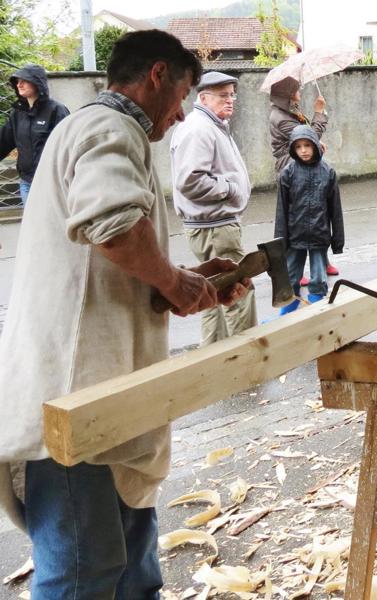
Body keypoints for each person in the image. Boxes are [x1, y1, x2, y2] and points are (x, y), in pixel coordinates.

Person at [0, 29, 248, 598]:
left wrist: (181, 286)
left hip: (112, 403)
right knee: (84, 574)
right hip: (77, 399)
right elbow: (111, 225)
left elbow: (107, 260)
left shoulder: (91, 129)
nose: (181, 115)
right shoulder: (109, 127)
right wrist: (173, 280)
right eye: (183, 94)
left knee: (135, 573)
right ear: (157, 75)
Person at [170, 70, 258, 345]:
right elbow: (190, 181)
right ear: (203, 98)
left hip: (212, 226)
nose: (230, 100)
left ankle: (214, 359)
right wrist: (231, 189)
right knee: (238, 293)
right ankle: (247, 362)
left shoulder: (210, 124)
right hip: (214, 227)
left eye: (232, 95)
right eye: (222, 96)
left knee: (213, 295)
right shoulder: (200, 129)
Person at [268, 77, 338, 281]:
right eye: (296, 88)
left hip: (305, 165)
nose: (300, 90)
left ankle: (322, 261)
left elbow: (308, 138)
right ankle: (294, 270)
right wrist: (319, 112)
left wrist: (316, 142)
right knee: (297, 218)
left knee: (317, 211)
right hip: (292, 168)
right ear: (287, 93)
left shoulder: (291, 111)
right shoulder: (280, 117)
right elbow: (306, 138)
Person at [275, 125, 344, 314]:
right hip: (295, 234)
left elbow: (335, 210)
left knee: (319, 277)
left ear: (315, 145)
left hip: (319, 234)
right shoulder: (288, 173)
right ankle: (290, 306)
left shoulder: (327, 172)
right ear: (293, 149)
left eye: (307, 145)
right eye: (298, 147)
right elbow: (281, 210)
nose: (303, 150)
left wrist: (337, 241)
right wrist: (280, 242)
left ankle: (317, 305)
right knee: (291, 274)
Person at [0, 64, 69, 205]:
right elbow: (3, 142)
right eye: (17, 81)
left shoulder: (57, 110)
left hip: (51, 183)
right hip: (27, 183)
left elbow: (68, 145)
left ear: (37, 82)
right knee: (33, 225)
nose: (19, 84)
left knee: (51, 224)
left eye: (24, 80)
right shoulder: (18, 114)